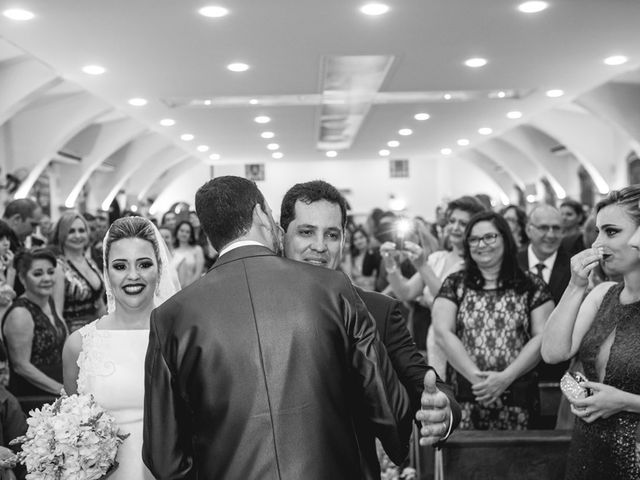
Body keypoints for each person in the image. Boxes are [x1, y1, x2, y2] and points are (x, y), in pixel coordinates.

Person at [143, 176, 414, 480]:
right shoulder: (332, 288)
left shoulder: (171, 317)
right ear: (260, 214)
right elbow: (387, 406)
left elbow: (162, 454)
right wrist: (397, 441)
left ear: (208, 237)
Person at [279, 180, 460, 479]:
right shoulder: (253, 307)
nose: (320, 246)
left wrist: (444, 410)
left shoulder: (378, 310)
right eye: (306, 232)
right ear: (281, 233)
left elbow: (423, 382)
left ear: (344, 239)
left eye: (332, 234)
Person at [62, 216, 180, 480]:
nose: (133, 276)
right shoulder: (79, 345)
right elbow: (69, 428)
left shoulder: (181, 337)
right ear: (107, 271)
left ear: (159, 268)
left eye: (144, 264)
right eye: (120, 266)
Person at [541, 186, 640, 479]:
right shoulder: (604, 293)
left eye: (611, 232)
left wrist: (625, 401)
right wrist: (575, 286)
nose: (597, 244)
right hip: (589, 446)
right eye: (597, 232)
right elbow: (553, 352)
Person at [433, 211, 554, 430]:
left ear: (505, 239)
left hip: (517, 393)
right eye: (474, 239)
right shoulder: (455, 284)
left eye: (489, 237)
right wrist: (478, 381)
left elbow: (543, 335)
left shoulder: (532, 285)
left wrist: (505, 378)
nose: (482, 244)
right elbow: (443, 333)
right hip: (467, 394)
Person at [382, 196, 486, 378]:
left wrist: (422, 265)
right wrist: (390, 264)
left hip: (465, 342)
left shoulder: (477, 264)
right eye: (452, 221)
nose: (455, 227)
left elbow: (451, 303)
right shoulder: (438, 258)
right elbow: (405, 292)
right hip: (435, 340)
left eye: (463, 223)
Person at [2, 248, 67, 399]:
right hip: (33, 397)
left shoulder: (50, 303)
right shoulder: (20, 313)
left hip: (59, 391)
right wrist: (60, 389)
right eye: (38, 274)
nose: (47, 278)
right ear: (23, 279)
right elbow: (21, 366)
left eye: (51, 272)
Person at [50, 212, 105, 332]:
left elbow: (99, 302)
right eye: (71, 231)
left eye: (81, 230)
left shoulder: (91, 262)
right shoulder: (58, 267)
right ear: (61, 235)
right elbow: (57, 313)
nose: (77, 235)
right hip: (73, 334)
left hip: (98, 332)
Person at [171, 221, 204, 287]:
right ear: (177, 232)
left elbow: (198, 273)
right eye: (182, 231)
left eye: (187, 232)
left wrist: (187, 288)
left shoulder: (197, 249)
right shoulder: (172, 251)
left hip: (193, 287)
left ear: (191, 235)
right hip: (176, 290)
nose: (184, 234)